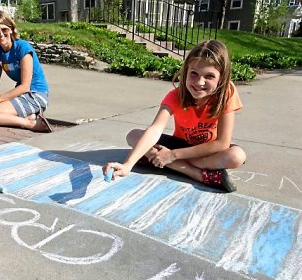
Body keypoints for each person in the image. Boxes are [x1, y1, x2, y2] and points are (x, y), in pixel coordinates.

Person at [103, 40, 246, 192]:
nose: (199, 82)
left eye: (209, 76)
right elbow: (155, 129)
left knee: (236, 156)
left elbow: (222, 143)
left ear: (221, 78)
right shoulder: (176, 96)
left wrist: (173, 155)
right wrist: (128, 164)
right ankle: (196, 173)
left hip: (206, 150)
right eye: (194, 74)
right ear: (185, 72)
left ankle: (162, 160)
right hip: (182, 144)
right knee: (133, 136)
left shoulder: (226, 94)